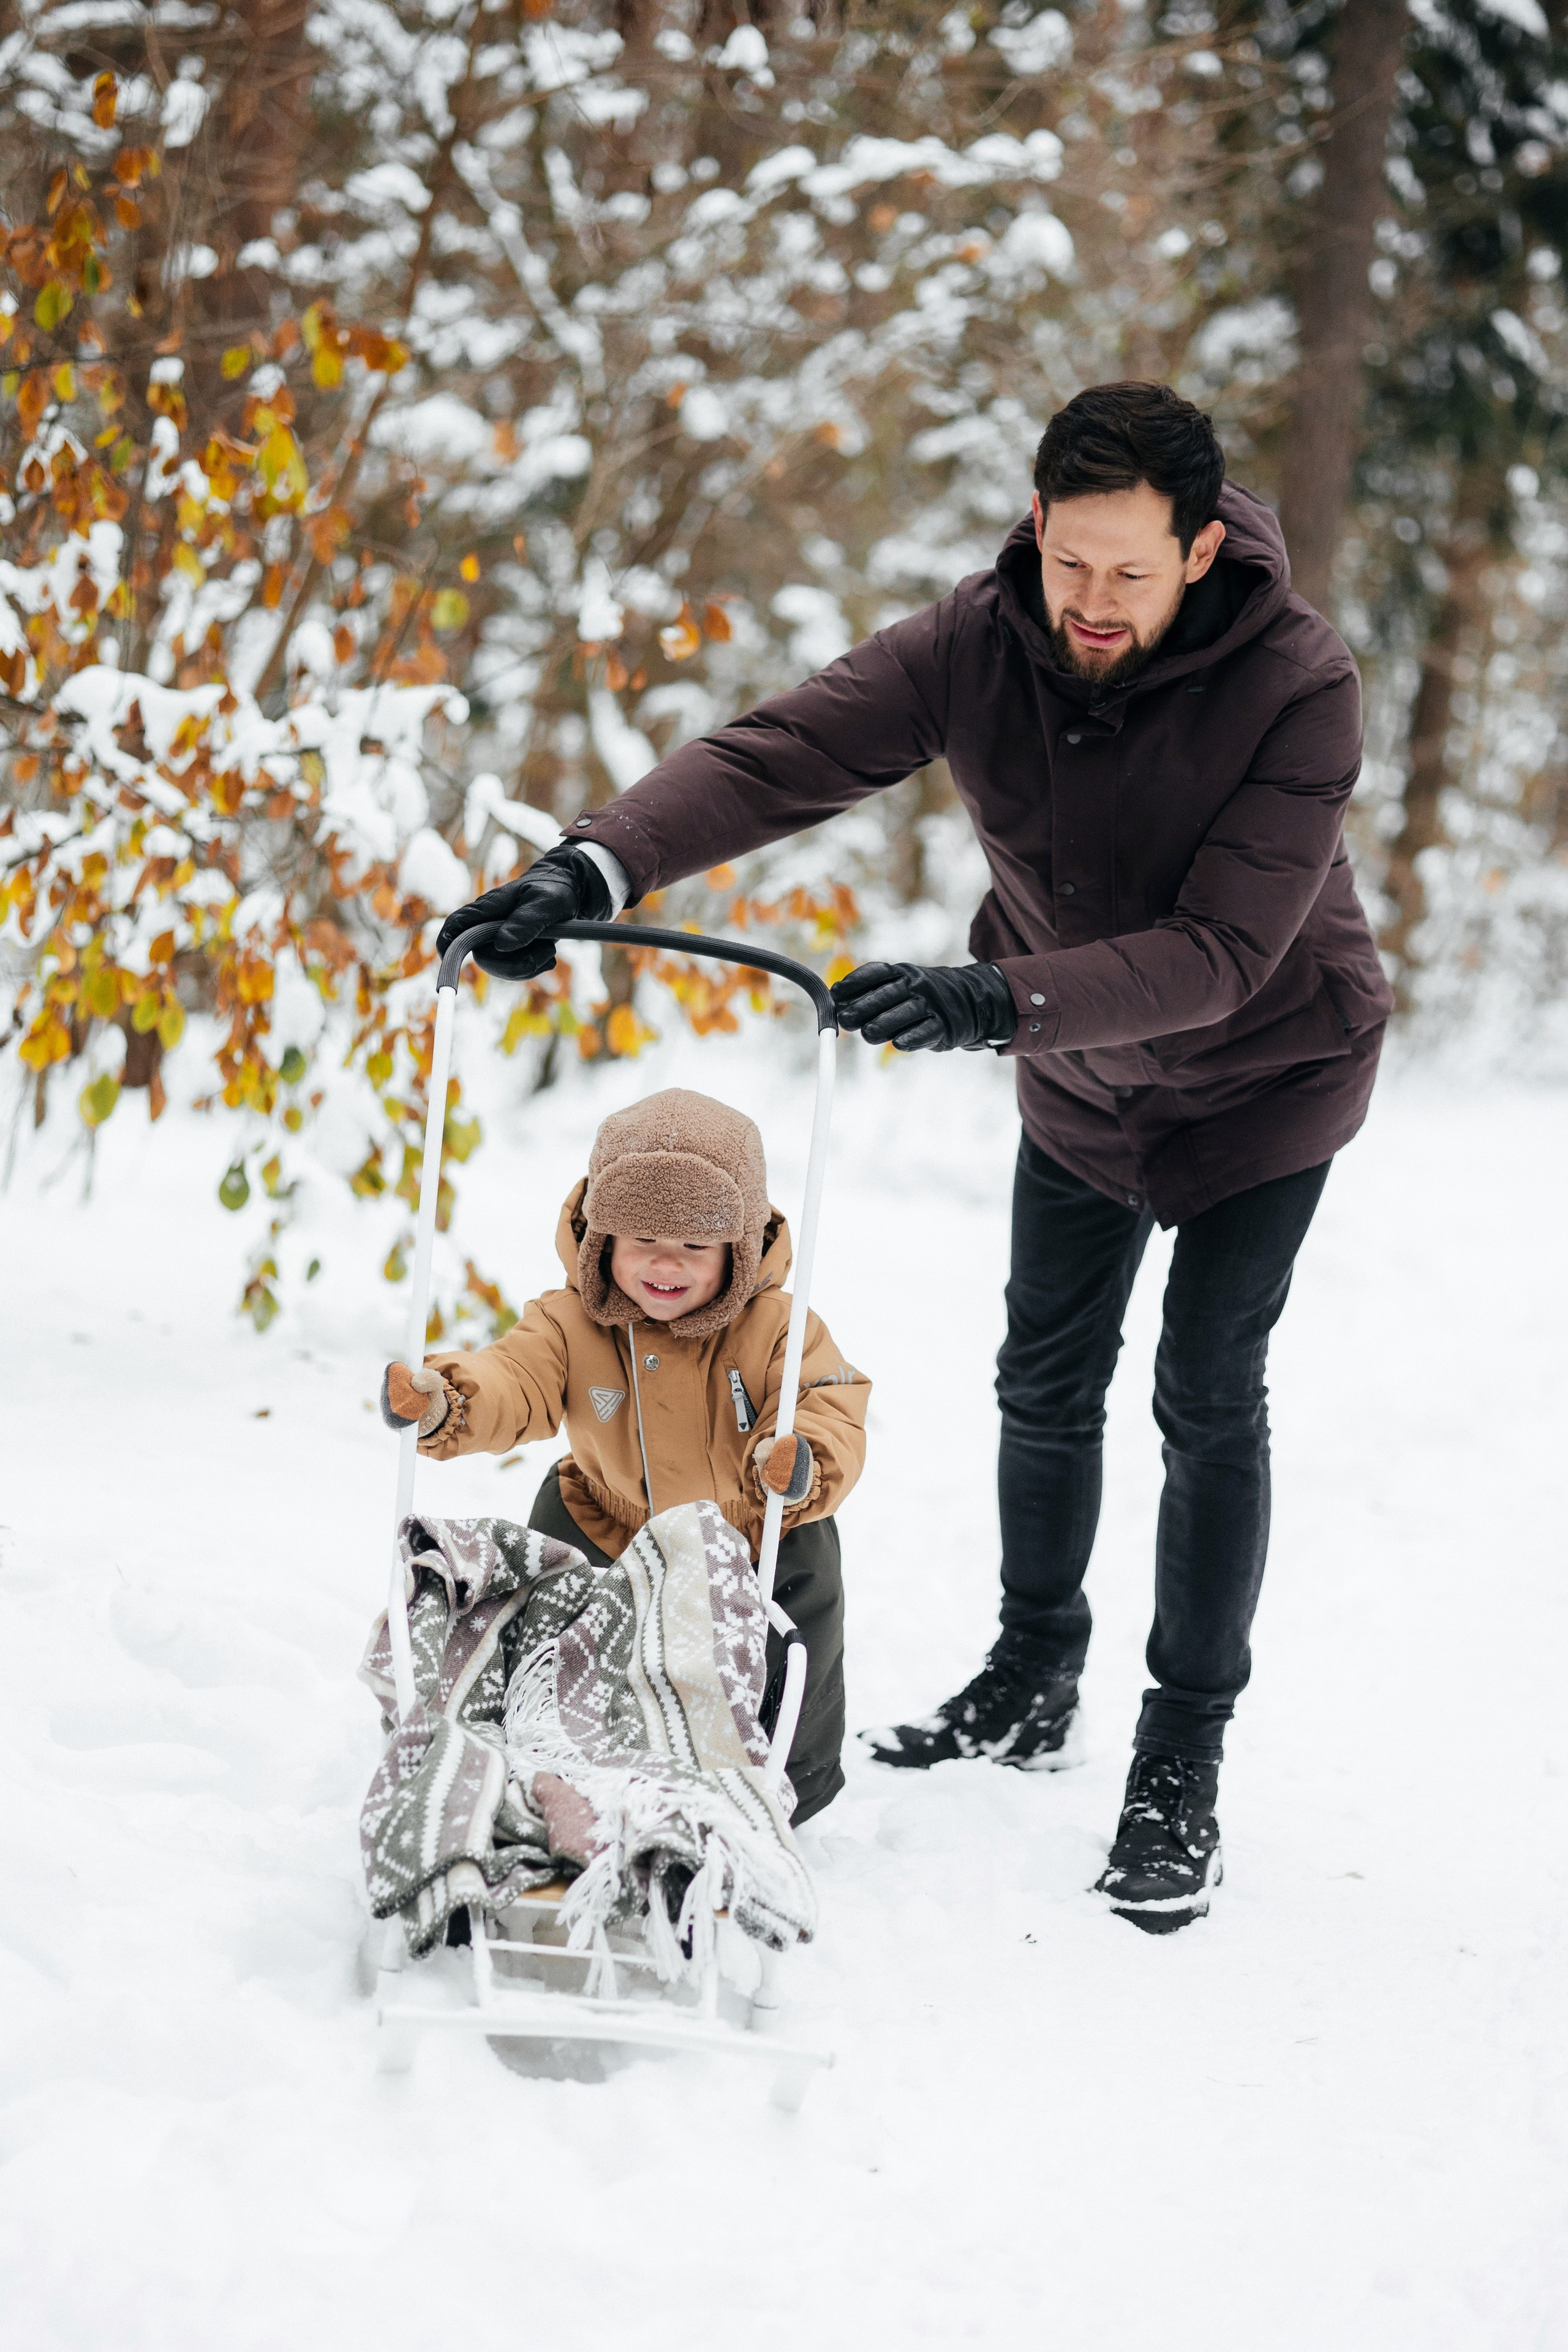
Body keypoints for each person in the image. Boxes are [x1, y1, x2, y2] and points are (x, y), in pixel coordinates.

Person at [435, 381, 1395, 1933]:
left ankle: (1177, 1762)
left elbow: (1222, 951)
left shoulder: (1297, 682)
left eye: (1127, 573)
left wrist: (993, 998)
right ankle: (1030, 1672)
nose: (1087, 603)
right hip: (1075, 1076)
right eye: (1065, 560)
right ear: (1033, 527)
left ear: (1202, 549)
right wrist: (588, 864)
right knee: (1042, 1375)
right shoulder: (977, 638)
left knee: (1205, 1388)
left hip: (1259, 1081)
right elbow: (779, 753)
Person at [380, 1087, 868, 1825]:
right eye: (641, 1240)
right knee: (552, 1607)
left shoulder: (779, 1326)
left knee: (803, 1594)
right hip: (604, 1518)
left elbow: (826, 1399)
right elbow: (515, 1377)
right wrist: (450, 1400)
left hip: (755, 1523)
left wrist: (801, 1459)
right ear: (600, 1238)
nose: (665, 1265)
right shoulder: (570, 1319)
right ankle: (549, 1756)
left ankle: (783, 1779)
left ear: (737, 1249)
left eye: (695, 1247)